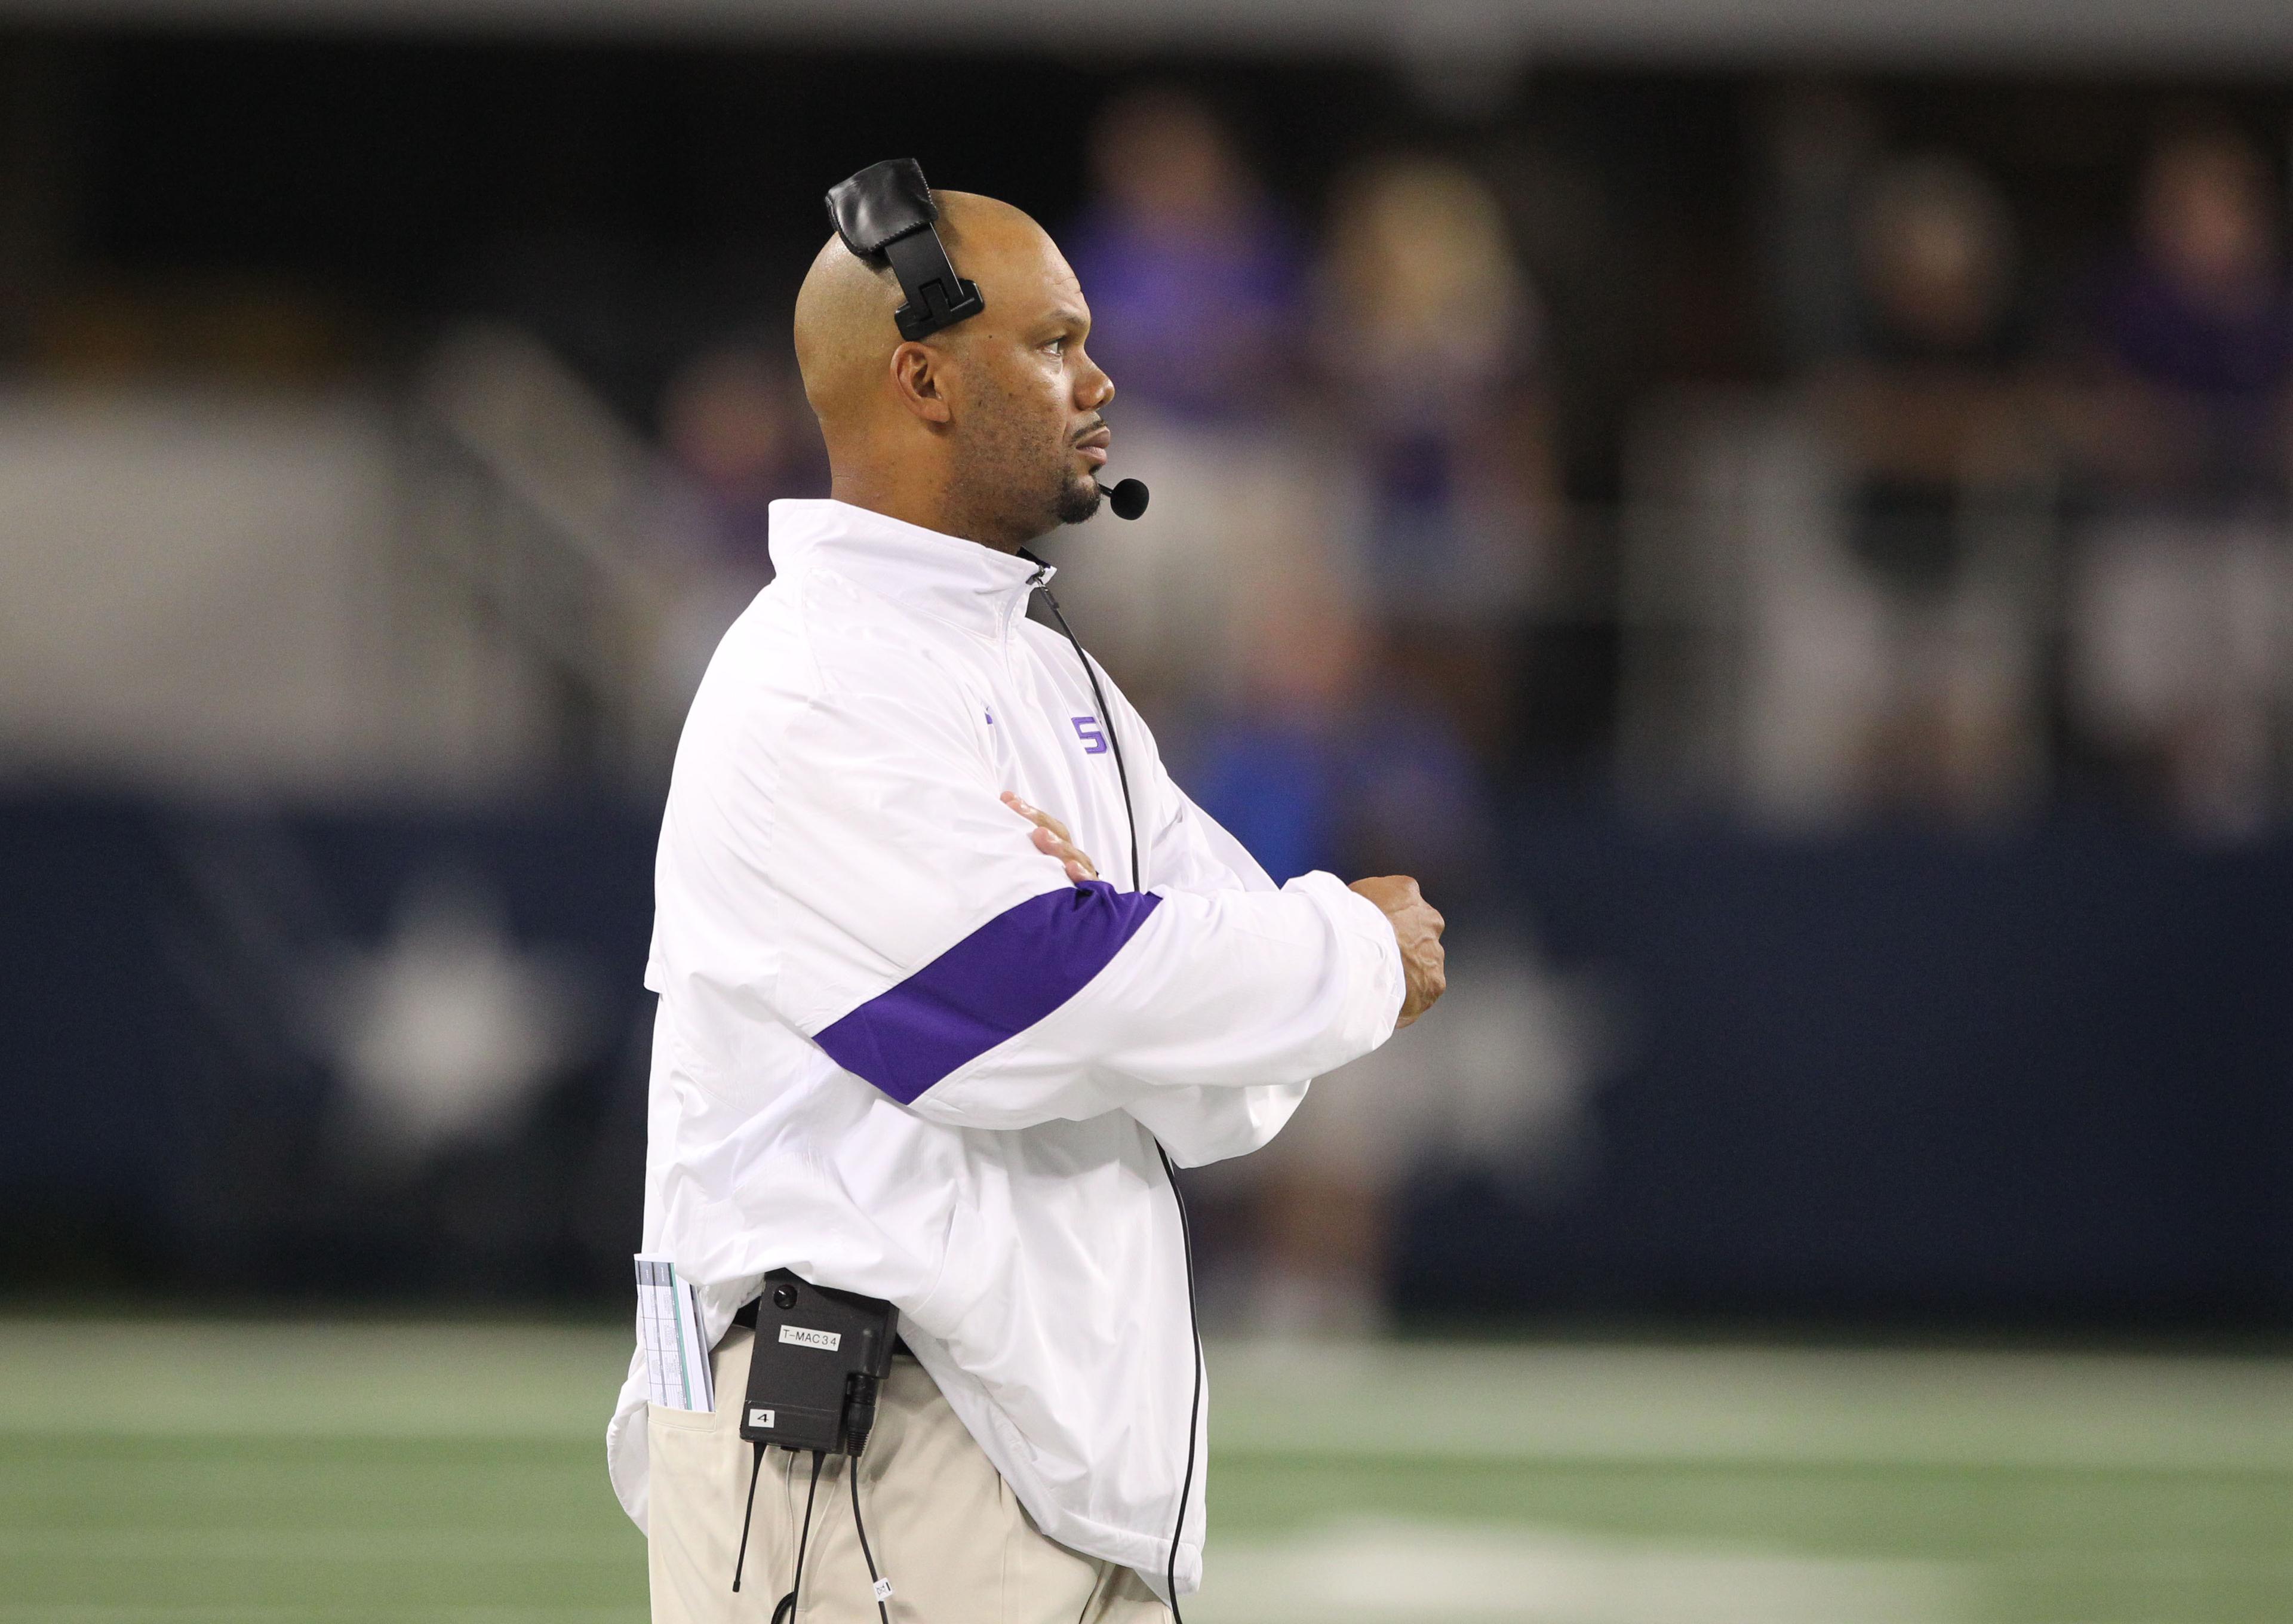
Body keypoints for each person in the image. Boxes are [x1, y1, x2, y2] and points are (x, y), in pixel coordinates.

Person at [605, 173, 1448, 1624]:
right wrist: (1346, 951)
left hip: (1036, 1459)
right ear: (921, 375)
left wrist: (1199, 989)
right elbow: (1019, 1001)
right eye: (1053, 343)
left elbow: (1217, 1076)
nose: (1101, 377)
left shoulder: (1054, 677)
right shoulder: (816, 670)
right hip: (861, 1460)